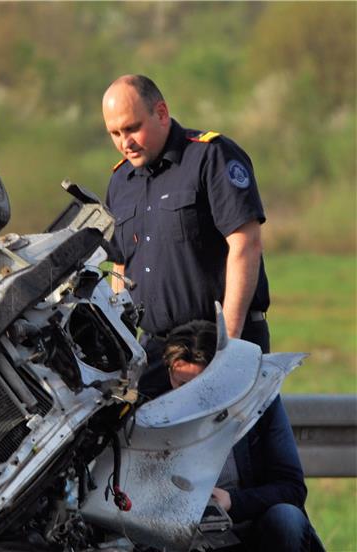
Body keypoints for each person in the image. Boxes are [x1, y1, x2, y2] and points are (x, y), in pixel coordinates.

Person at [101, 74, 270, 397]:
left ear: (161, 113)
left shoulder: (210, 157)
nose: (125, 142)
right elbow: (120, 268)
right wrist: (122, 344)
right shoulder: (121, 180)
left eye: (132, 128)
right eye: (115, 133)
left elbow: (245, 244)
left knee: (236, 448)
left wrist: (228, 345)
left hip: (218, 342)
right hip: (157, 350)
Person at [163, 320, 323, 552]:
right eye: (182, 385)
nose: (191, 396)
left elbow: (292, 488)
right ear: (170, 375)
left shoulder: (258, 405)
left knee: (286, 518)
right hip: (187, 536)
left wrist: (232, 502)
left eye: (203, 386)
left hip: (253, 528)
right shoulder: (155, 416)